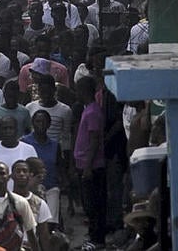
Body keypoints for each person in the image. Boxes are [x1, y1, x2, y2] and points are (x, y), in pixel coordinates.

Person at [72, 78, 106, 248]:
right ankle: (93, 235)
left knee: (93, 204)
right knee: (88, 203)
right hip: (84, 163)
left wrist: (87, 167)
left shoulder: (93, 112)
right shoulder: (88, 110)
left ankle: (97, 238)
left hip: (91, 166)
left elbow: (94, 140)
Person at [0, 119, 35, 187]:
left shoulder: (29, 149)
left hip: (23, 196)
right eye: (5, 128)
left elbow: (34, 176)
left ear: (16, 130)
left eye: (11, 128)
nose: (8, 131)